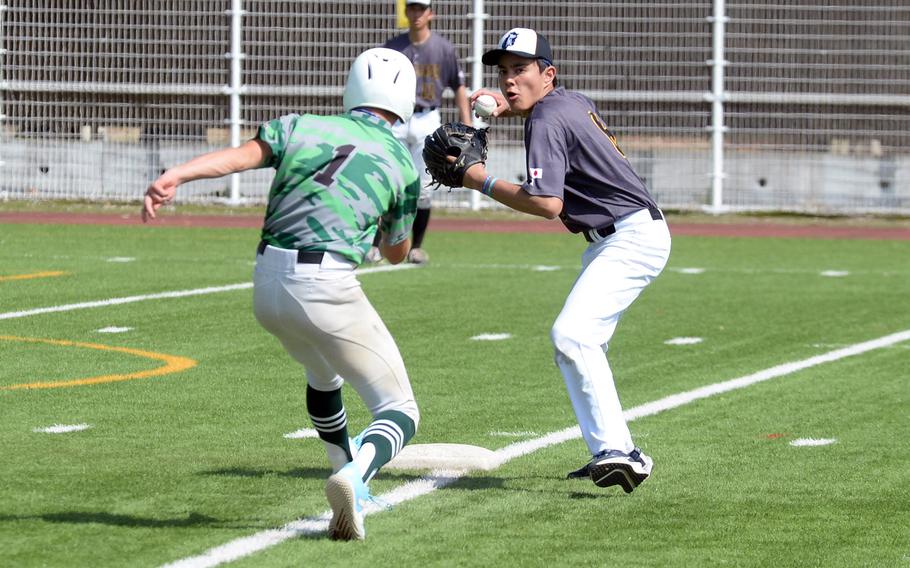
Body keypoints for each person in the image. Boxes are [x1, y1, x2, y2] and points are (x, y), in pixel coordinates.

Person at [141, 48, 422, 539]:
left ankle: (341, 466)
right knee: (400, 411)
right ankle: (356, 477)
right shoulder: (401, 160)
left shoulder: (301, 125)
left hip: (266, 284)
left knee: (323, 371)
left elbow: (238, 158)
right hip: (324, 285)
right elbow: (398, 253)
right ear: (405, 100)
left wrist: (177, 174)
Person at [465, 28, 672, 493]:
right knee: (581, 341)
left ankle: (616, 452)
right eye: (504, 73)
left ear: (548, 73)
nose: (510, 81)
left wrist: (478, 180)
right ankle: (620, 451)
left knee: (572, 335)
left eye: (521, 70)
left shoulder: (546, 119)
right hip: (623, 234)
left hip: (629, 237)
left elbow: (547, 204)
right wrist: (505, 107)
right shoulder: (568, 101)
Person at [365, 0, 472, 265]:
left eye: (420, 9)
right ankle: (375, 245)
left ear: (430, 13)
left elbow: (458, 87)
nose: (415, 13)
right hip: (397, 118)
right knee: (387, 181)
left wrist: (467, 125)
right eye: (411, 8)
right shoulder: (392, 47)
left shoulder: (443, 48)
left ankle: (417, 247)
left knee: (424, 186)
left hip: (427, 118)